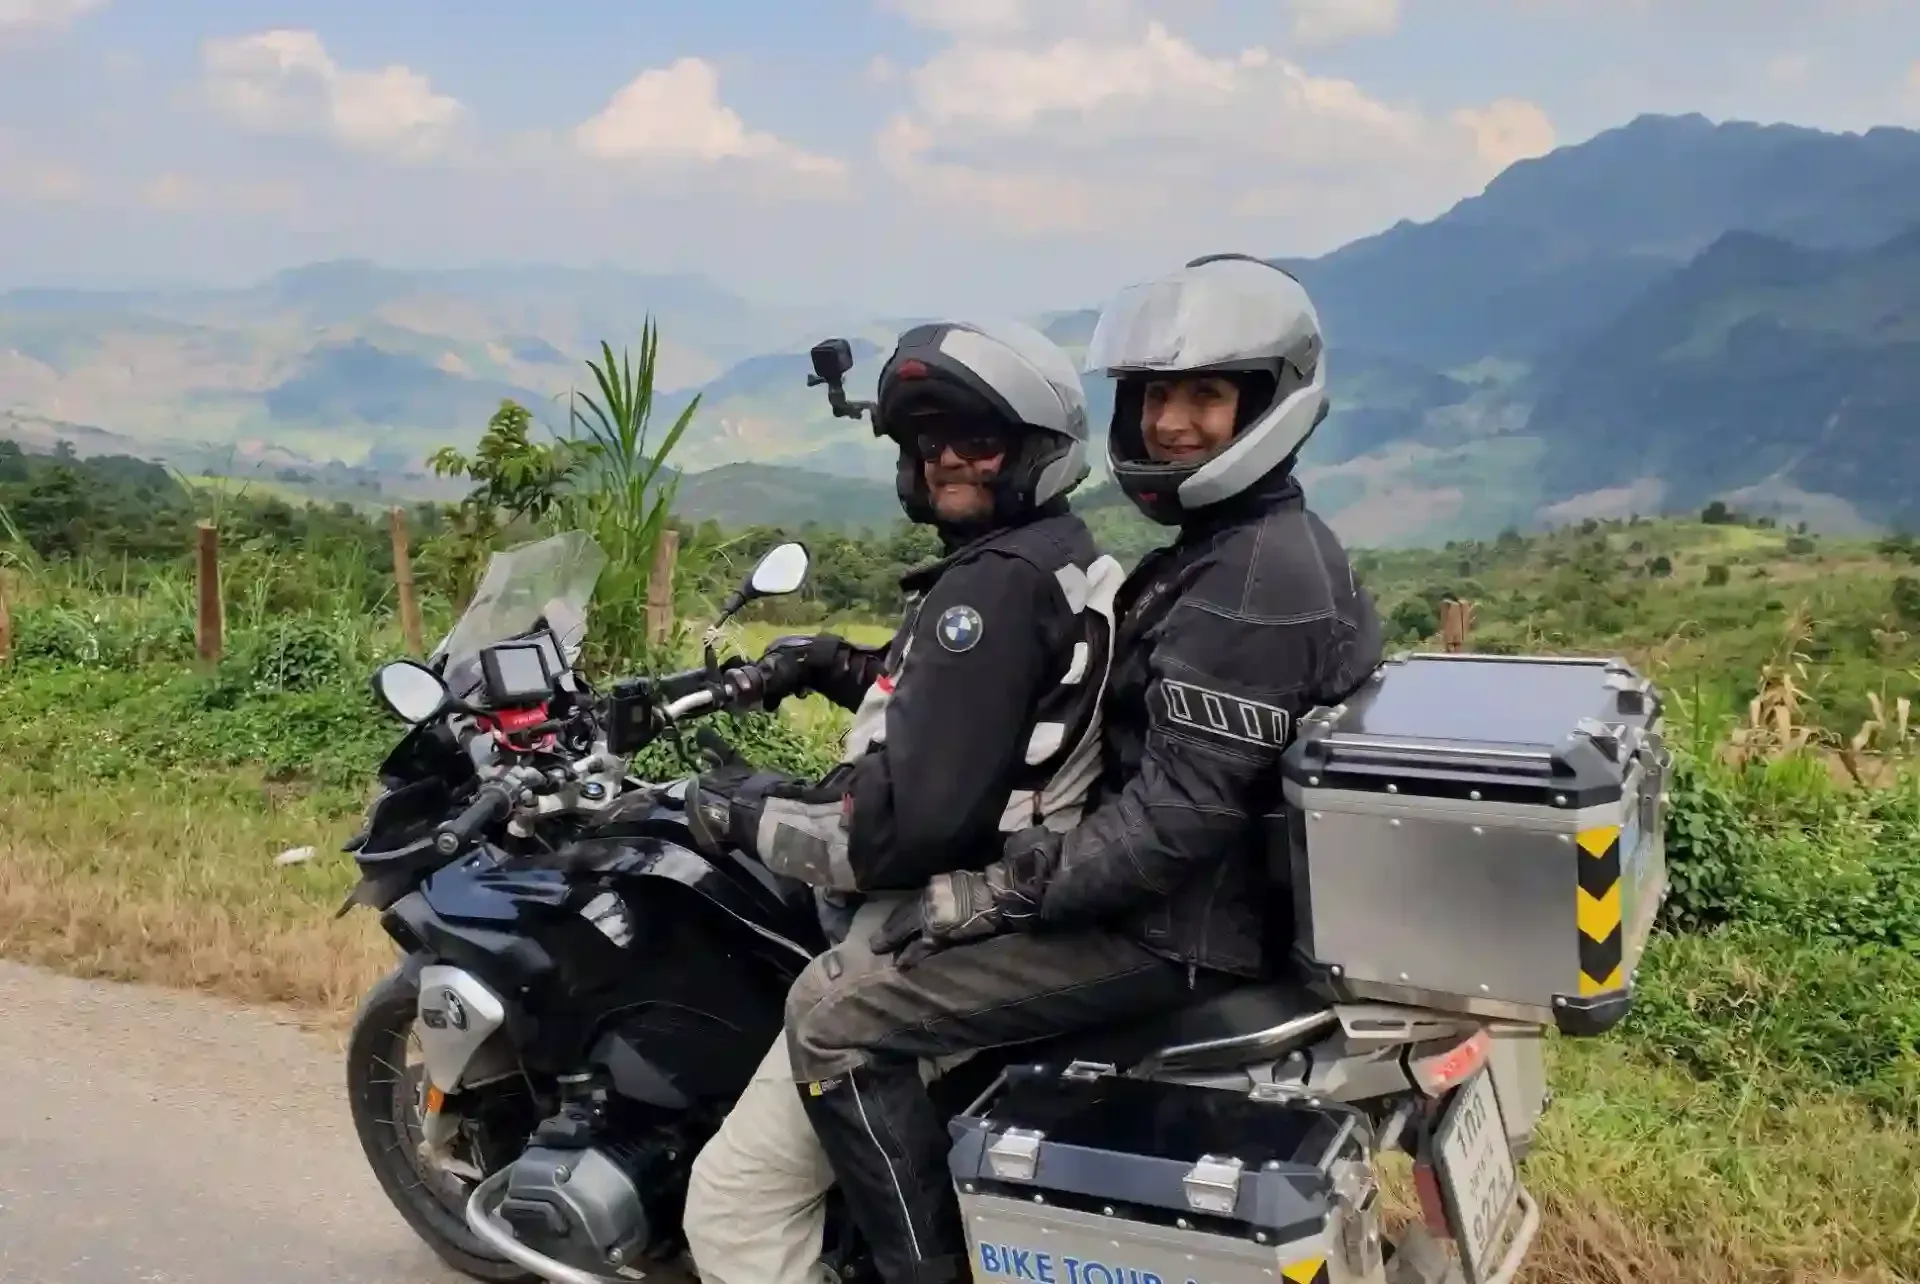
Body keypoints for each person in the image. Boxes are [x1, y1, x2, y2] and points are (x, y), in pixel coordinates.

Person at [782, 254, 1386, 1284]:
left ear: (1269, 401)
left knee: (834, 1020)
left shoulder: (1249, 579)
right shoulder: (1235, 542)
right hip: (1187, 903)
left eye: (1206, 394)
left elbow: (1170, 825)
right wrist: (858, 675)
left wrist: (994, 890)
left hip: (1170, 930)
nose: (1171, 424)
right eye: (1156, 395)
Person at [681, 318, 1124, 1284]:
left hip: (946, 910)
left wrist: (741, 810)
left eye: (979, 441)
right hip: (1026, 885)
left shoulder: (991, 592)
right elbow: (984, 715)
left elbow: (898, 831)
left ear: (1035, 454)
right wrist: (838, 665)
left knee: (735, 1206)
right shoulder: (1050, 556)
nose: (950, 461)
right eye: (931, 443)